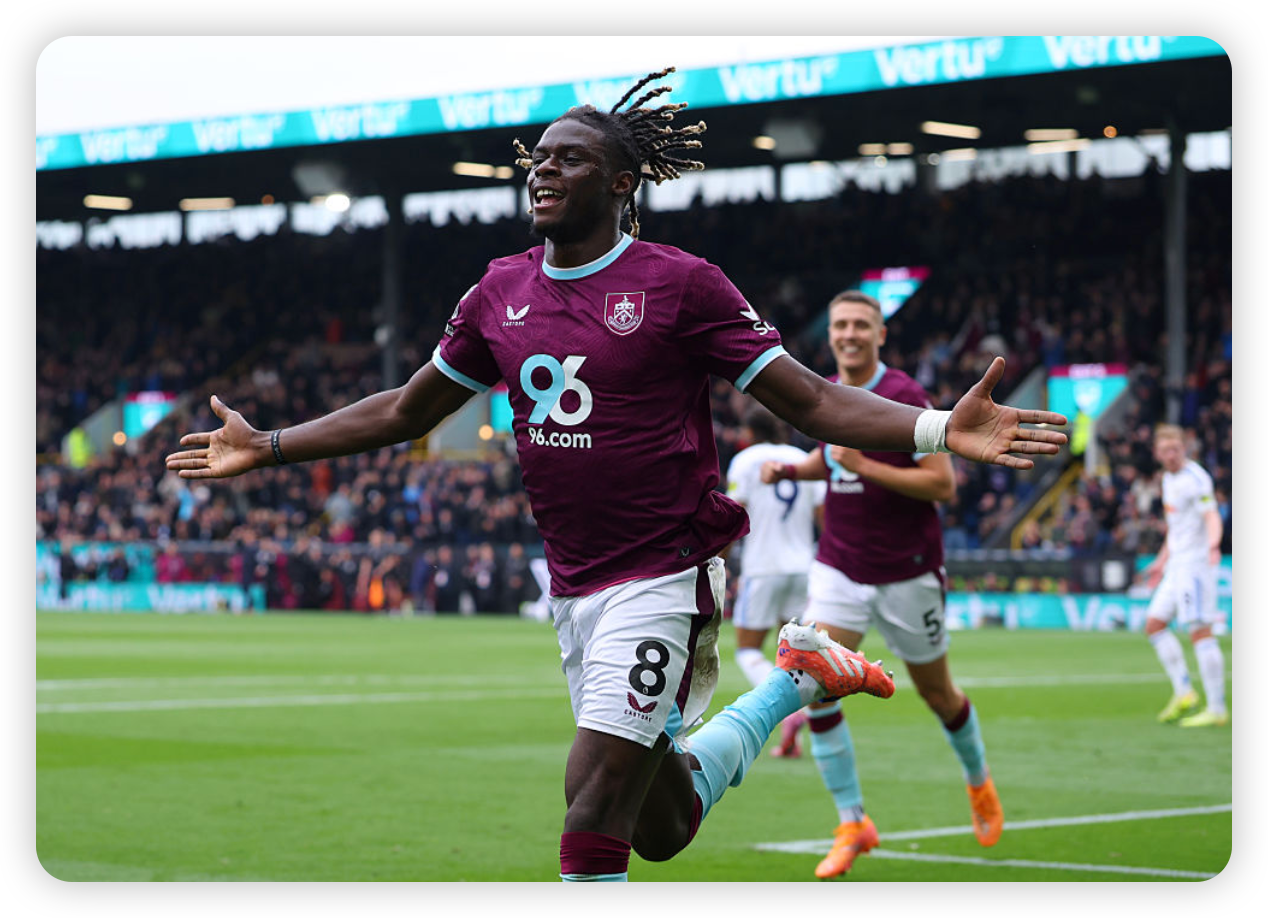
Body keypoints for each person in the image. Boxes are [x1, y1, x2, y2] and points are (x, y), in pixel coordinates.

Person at [165, 68, 1066, 881]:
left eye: (568, 160)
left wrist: (942, 426)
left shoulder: (680, 284)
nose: (543, 172)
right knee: (661, 825)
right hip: (574, 583)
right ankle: (795, 676)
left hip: (664, 571)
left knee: (589, 805)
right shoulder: (497, 293)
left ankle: (797, 679)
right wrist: (269, 444)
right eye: (538, 160)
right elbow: (406, 410)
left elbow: (815, 403)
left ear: (623, 182)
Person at [761, 290, 1004, 879]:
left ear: (879, 335)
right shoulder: (824, 393)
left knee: (939, 695)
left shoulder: (903, 397)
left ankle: (979, 782)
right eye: (840, 323)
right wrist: (795, 468)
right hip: (840, 566)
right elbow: (832, 459)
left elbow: (942, 485)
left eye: (860, 325)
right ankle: (852, 821)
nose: (847, 333)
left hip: (908, 572)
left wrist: (863, 463)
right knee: (810, 679)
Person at [724, 405, 826, 758]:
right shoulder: (802, 457)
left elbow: (732, 514)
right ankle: (792, 739)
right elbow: (823, 517)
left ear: (750, 432)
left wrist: (719, 567)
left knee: (748, 649)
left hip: (762, 568)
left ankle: (791, 710)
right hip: (804, 567)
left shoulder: (745, 460)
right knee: (795, 654)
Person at [1141, 424, 1228, 727]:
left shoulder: (1196, 478)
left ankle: (1217, 708)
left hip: (1195, 565)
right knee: (1153, 625)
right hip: (1176, 564)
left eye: (1176, 449)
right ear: (1158, 453)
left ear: (1184, 449)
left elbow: (1211, 515)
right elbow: (1176, 528)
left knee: (1199, 630)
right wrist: (1161, 561)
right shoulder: (1167, 479)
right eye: (1165, 450)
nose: (1171, 455)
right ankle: (1184, 692)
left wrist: (1214, 544)